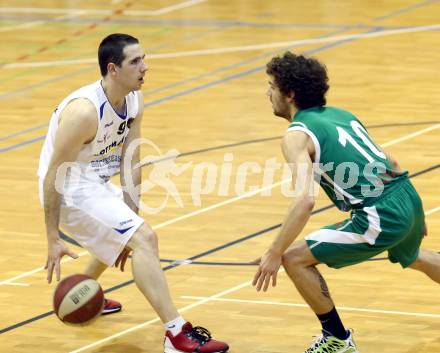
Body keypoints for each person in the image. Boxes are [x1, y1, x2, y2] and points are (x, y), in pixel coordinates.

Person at [38, 33, 229, 353]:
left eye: (145, 58)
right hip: (67, 188)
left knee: (134, 233)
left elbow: (131, 160)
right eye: (135, 61)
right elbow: (53, 176)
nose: (145, 66)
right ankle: (176, 334)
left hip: (93, 181)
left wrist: (131, 215)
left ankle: (84, 291)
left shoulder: (134, 98)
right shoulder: (84, 112)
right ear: (113, 69)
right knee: (145, 239)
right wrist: (52, 237)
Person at [252, 52, 440, 353]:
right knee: (415, 255)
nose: (267, 93)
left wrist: (275, 252)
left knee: (293, 259)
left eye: (272, 86)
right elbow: (389, 160)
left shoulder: (296, 136)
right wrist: (413, 214)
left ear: (289, 94)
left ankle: (337, 338)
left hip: (380, 213)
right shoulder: (341, 114)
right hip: (405, 195)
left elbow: (304, 202)